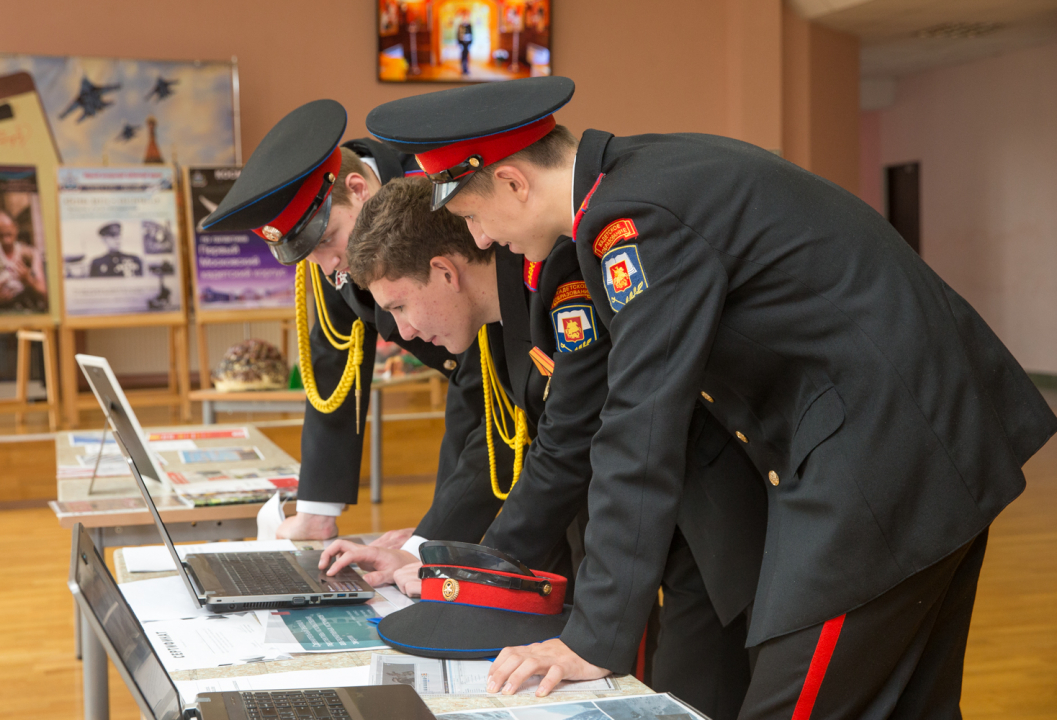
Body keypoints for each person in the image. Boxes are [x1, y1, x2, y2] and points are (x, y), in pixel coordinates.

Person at [363, 76, 1057, 718]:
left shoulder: (633, 222)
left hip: (886, 460)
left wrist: (595, 636)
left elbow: (641, 424)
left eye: (477, 219)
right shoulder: (644, 177)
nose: (482, 240)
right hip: (921, 437)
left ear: (513, 182)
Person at [332, 176, 767, 718]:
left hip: (705, 510)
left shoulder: (559, 276)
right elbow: (500, 445)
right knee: (648, 683)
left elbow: (568, 443)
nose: (401, 331)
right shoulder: (501, 310)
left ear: (446, 271)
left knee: (693, 692)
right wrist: (437, 554)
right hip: (624, 516)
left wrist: (470, 573)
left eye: (399, 306)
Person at [202, 99, 481, 547]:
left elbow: (488, 361)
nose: (332, 264)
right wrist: (316, 513)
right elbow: (335, 364)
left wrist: (436, 537)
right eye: (310, 252)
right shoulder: (332, 246)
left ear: (359, 188)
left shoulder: (438, 189)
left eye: (328, 240)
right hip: (473, 389)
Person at [0, 210, 47, 308]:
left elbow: (44, 293)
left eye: (8, 234)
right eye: (1, 235)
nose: (6, 240)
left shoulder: (30, 254)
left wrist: (28, 280)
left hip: (25, 312)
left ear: (16, 228)